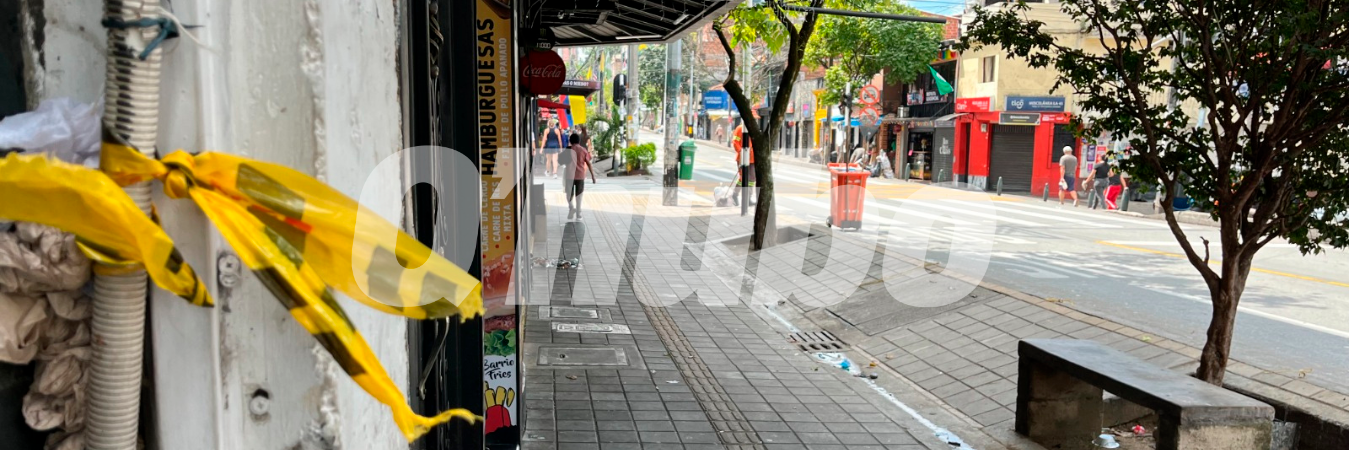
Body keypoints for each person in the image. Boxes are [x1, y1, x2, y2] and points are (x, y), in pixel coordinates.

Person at [563, 132, 597, 220]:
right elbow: (589, 163)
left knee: (569, 195)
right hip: (580, 176)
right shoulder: (583, 150)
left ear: (570, 141)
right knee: (579, 196)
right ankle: (578, 214)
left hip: (569, 176)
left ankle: (571, 208)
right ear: (579, 141)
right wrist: (593, 176)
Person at [731, 120, 756, 206]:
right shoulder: (740, 128)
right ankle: (735, 194)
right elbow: (735, 142)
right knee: (743, 178)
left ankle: (748, 197)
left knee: (752, 178)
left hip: (753, 158)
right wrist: (741, 152)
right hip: (742, 158)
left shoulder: (753, 130)